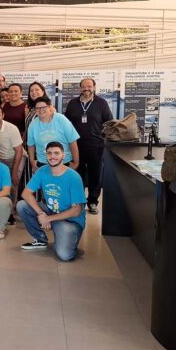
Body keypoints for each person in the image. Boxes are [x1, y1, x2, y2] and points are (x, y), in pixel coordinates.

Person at [17, 142, 86, 261]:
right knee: (22, 206)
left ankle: (65, 237)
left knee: (65, 255)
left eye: (56, 153)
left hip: (70, 221)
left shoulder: (73, 177)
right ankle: (40, 239)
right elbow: (26, 193)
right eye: (49, 153)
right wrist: (41, 214)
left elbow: (76, 210)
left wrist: (48, 219)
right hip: (51, 212)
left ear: (64, 155)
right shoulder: (42, 171)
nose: (52, 156)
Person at [64, 78, 113, 215]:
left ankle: (92, 201)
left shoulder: (101, 103)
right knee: (77, 175)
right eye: (84, 86)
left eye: (89, 86)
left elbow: (109, 122)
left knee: (95, 175)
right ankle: (78, 201)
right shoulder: (73, 103)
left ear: (94, 87)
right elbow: (66, 124)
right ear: (80, 88)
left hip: (96, 145)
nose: (86, 88)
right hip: (76, 145)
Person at [27, 96, 80, 172]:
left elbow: (72, 141)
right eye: (37, 108)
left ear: (49, 107)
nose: (41, 110)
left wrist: (76, 162)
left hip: (63, 162)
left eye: (43, 107)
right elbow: (30, 145)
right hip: (43, 163)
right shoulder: (33, 125)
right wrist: (32, 161)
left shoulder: (61, 119)